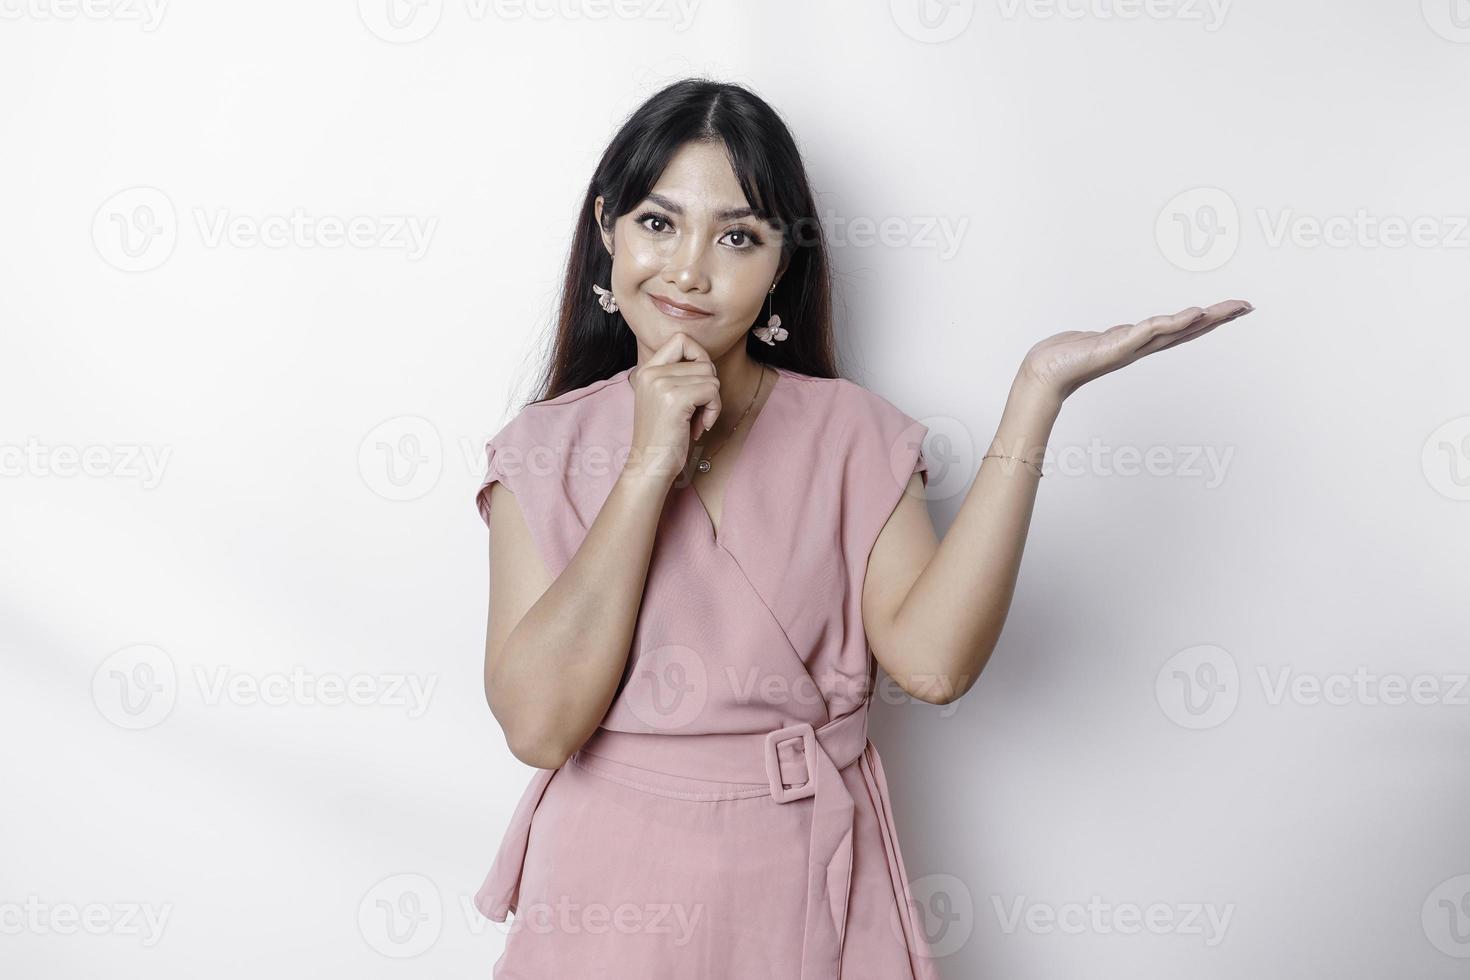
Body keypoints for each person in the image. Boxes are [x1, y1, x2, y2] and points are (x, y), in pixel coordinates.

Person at [470, 77, 1253, 979]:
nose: (688, 268)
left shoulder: (853, 435)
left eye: (737, 236)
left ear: (781, 266)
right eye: (657, 223)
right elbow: (536, 727)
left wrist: (1036, 394)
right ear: (606, 229)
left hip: (801, 879)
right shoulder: (540, 448)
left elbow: (933, 663)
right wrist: (649, 465)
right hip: (609, 899)